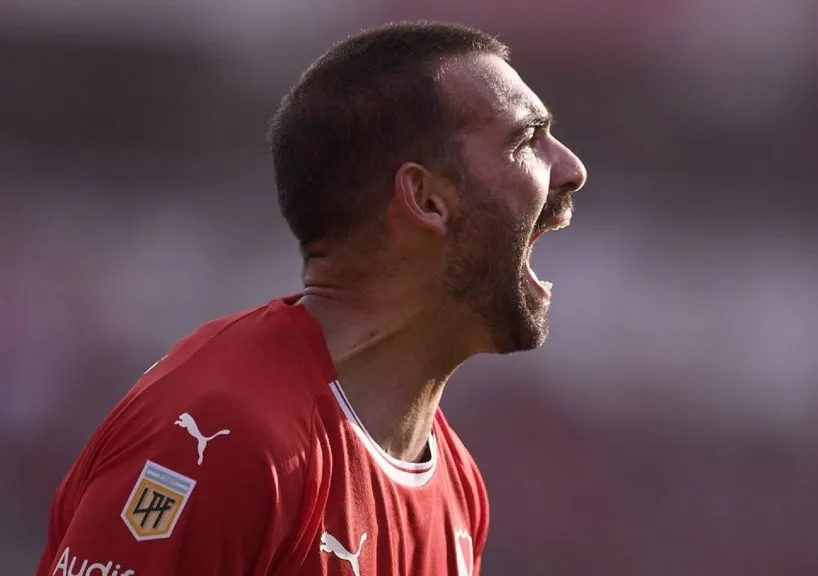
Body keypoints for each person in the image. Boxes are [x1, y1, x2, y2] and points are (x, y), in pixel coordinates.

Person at [36, 20, 587, 576]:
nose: (572, 169)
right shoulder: (227, 437)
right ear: (426, 200)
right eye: (526, 139)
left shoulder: (459, 486)